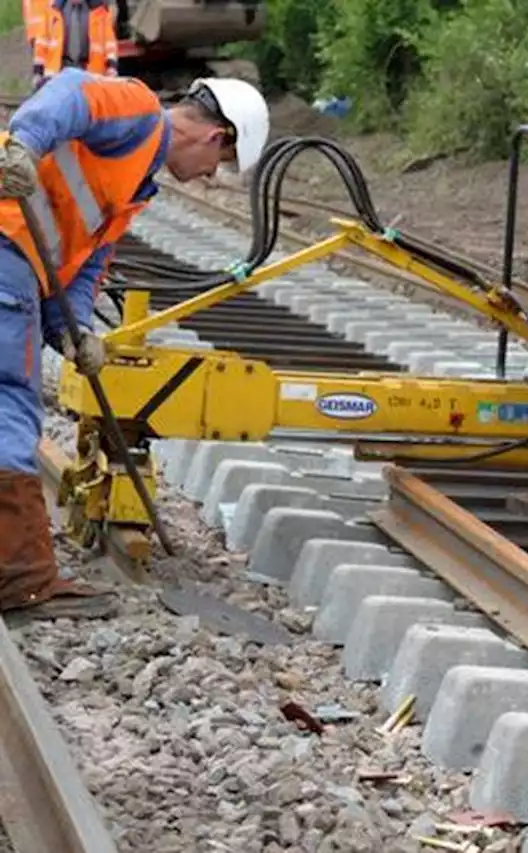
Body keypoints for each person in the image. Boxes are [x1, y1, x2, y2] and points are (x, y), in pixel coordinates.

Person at [0, 70, 270, 619]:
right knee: (9, 406)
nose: (203, 179)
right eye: (216, 167)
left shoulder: (135, 186)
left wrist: (73, 334)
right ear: (216, 136)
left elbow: (79, 269)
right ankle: (20, 580)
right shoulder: (139, 111)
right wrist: (23, 144)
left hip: (22, 266)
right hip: (7, 246)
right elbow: (70, 92)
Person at [33, 0, 119, 88]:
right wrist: (38, 71)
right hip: (58, 74)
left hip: (91, 75)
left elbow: (109, 42)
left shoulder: (100, 11)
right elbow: (42, 42)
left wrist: (111, 67)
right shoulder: (52, 10)